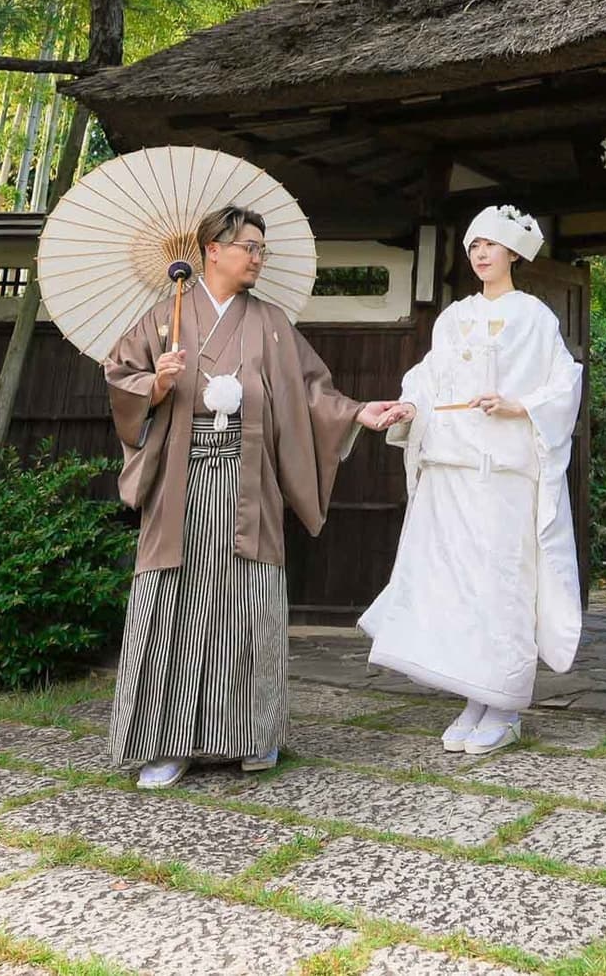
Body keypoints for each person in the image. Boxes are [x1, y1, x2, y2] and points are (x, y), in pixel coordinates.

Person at [99, 204, 408, 788]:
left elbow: (313, 392)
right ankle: (167, 743)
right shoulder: (163, 318)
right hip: (181, 488)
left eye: (262, 249)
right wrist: (157, 384)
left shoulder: (269, 323)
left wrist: (359, 412)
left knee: (247, 608)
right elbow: (121, 379)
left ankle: (252, 735)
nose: (258, 258)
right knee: (174, 609)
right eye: (249, 247)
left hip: (248, 487)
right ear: (212, 249)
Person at [357, 203, 583, 756]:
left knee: (503, 584)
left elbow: (564, 385)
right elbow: (428, 379)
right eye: (474, 246)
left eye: (490, 244)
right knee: (458, 584)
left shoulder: (535, 318)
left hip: (504, 476)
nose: (480, 254)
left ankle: (504, 704)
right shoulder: (453, 318)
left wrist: (519, 405)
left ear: (513, 252)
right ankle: (473, 694)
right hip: (452, 473)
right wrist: (411, 407)